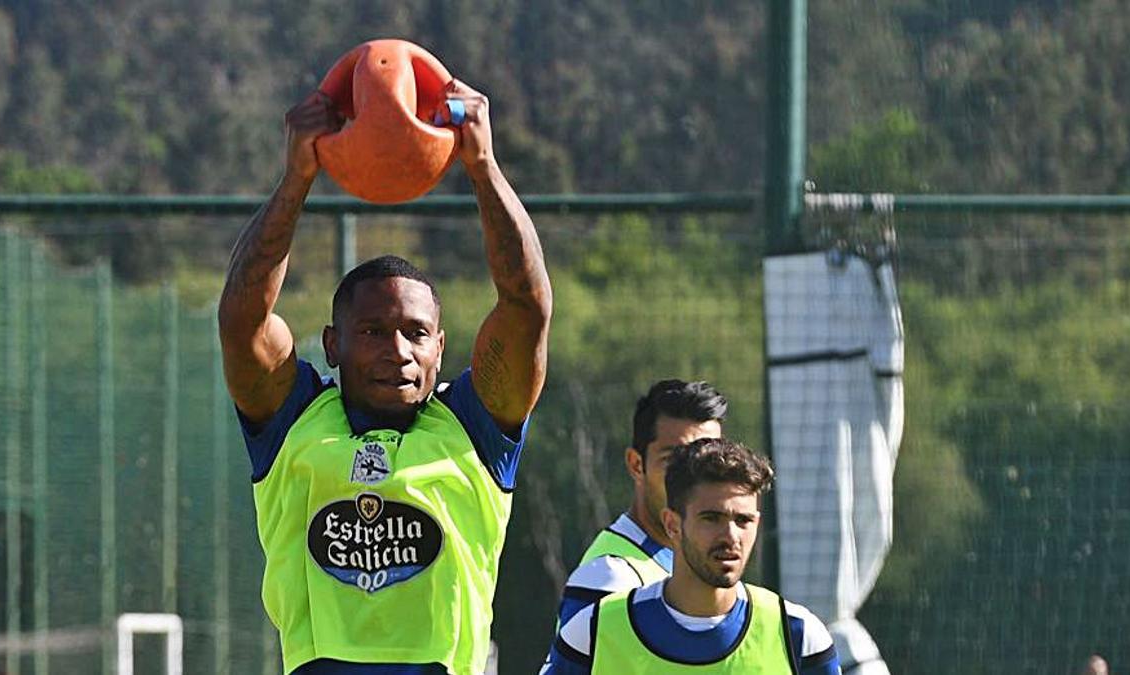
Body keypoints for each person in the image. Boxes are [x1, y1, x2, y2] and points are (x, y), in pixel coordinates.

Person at [218, 78, 551, 674]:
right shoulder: (292, 422)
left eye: (416, 333)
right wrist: (297, 177)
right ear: (333, 346)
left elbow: (526, 305)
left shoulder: (476, 429)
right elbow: (243, 318)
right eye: (372, 331)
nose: (397, 350)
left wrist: (483, 166)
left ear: (441, 348)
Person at [544, 437, 840, 674]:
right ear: (673, 524)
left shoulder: (798, 639)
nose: (731, 536)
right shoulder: (593, 634)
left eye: (743, 521)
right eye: (711, 518)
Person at [542, 380, 726, 657]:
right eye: (674, 460)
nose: (694, 477)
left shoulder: (702, 562)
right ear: (636, 465)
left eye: (709, 460)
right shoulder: (608, 579)